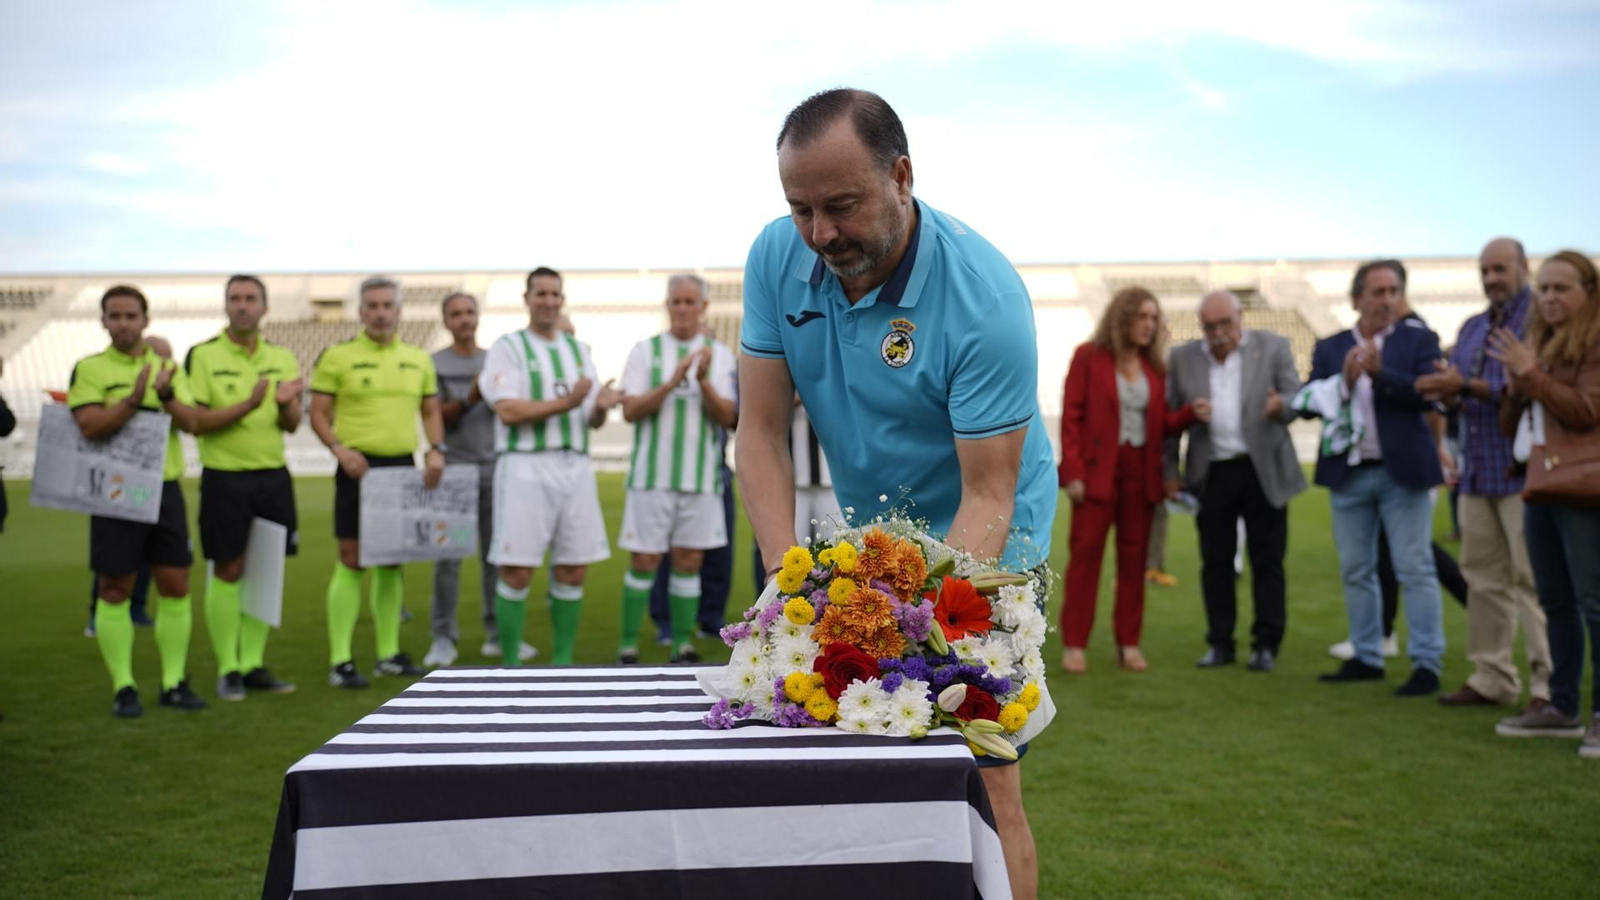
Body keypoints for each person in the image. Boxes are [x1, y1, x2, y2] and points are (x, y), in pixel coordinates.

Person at [737, 88, 1057, 900]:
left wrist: (911, 614)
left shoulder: (984, 299)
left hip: (986, 542)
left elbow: (989, 491)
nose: (821, 236)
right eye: (801, 209)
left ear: (902, 175)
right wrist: (788, 581)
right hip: (872, 529)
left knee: (982, 777)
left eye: (841, 206)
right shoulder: (776, 258)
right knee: (848, 751)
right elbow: (762, 433)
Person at [70, 286, 220, 716]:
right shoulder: (91, 369)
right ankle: (124, 686)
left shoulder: (168, 368)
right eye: (114, 316)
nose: (123, 323)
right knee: (115, 589)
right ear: (103, 322)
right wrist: (135, 399)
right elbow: (89, 426)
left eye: (130, 315)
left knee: (176, 586)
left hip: (163, 490)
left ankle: (173, 683)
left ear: (145, 320)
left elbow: (193, 423)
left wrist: (167, 395)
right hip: (116, 492)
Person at [1414, 238, 1551, 709]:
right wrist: (1448, 392)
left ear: (1523, 268)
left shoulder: (1543, 319)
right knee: (1484, 579)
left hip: (1527, 472)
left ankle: (1549, 685)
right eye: (1485, 270)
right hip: (1478, 472)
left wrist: (1464, 385)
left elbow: (1535, 384)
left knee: (1534, 580)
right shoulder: (1472, 327)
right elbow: (1461, 394)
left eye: (1500, 269)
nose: (1492, 278)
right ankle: (1492, 676)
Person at [1301, 259, 1445, 696]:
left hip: (1402, 473)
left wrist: (1382, 375)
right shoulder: (1330, 347)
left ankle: (1426, 663)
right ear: (1357, 298)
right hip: (1349, 473)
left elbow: (1426, 393)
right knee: (1355, 568)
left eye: (1393, 291)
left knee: (1414, 566)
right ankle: (1367, 654)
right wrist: (1342, 384)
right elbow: (1309, 401)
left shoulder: (1419, 340)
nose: (1387, 300)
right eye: (1377, 291)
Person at [1059, 287, 1206, 674]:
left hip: (1141, 475)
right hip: (1095, 475)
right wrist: (1072, 471)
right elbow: (1071, 416)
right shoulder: (1088, 357)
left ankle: (1129, 643)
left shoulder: (1155, 367)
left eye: (1153, 318)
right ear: (1122, 318)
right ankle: (1075, 644)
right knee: (1085, 558)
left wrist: (1191, 413)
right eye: (1143, 316)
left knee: (1134, 562)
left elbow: (1159, 424)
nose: (1149, 325)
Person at [1489, 249, 1600, 757]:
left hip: (1583, 487)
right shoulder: (1541, 342)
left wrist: (1531, 375)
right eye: (1546, 289)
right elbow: (1513, 426)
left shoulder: (1594, 342)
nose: (1551, 298)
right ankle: (1561, 705)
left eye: (1563, 288)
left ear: (1589, 293)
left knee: (1594, 603)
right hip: (1540, 482)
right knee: (1555, 599)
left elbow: (1585, 411)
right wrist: (1517, 385)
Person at [478, 267, 619, 665]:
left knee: (574, 569)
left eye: (555, 294)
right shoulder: (508, 347)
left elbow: (589, 415)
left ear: (562, 299)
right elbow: (507, 410)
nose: (548, 301)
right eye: (540, 293)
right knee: (517, 570)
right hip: (525, 467)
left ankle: (562, 663)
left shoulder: (579, 351)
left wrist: (601, 409)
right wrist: (569, 403)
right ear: (526, 299)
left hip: (574, 466)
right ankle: (509, 664)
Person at [309, 276, 444, 688]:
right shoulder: (338, 357)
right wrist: (338, 448)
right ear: (361, 312)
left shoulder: (418, 359)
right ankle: (341, 660)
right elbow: (317, 412)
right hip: (357, 468)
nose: (381, 312)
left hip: (402, 467)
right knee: (351, 559)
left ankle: (388, 654)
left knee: (391, 561)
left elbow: (430, 410)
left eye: (388, 305)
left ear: (399, 311)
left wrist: (437, 449)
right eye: (373, 306)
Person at [1165, 290, 1305, 672]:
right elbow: (1170, 420)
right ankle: (1220, 643)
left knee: (1268, 560)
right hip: (1212, 471)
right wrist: (1170, 474)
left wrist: (1283, 406)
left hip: (1264, 468)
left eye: (1225, 323)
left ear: (1240, 317)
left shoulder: (1274, 347)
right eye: (1210, 326)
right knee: (1215, 562)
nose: (1219, 333)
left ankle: (1266, 645)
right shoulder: (1182, 358)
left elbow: (1297, 396)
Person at [184, 274, 303, 699]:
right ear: (226, 306)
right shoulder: (203, 355)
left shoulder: (282, 356)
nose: (242, 305)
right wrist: (249, 404)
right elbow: (197, 423)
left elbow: (291, 425)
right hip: (225, 477)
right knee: (229, 568)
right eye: (235, 298)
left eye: (251, 298)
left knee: (265, 571)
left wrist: (288, 404)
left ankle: (253, 664)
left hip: (272, 475)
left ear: (265, 308)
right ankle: (228, 667)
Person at [614, 274, 737, 665]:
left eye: (690, 302)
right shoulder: (645, 351)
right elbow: (630, 410)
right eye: (676, 302)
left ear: (704, 307)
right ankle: (628, 643)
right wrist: (671, 382)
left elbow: (730, 416)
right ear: (667, 306)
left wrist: (701, 382)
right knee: (644, 559)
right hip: (652, 478)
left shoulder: (720, 354)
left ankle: (682, 643)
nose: (682, 309)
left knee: (689, 560)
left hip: (701, 478)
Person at [424, 292, 535, 667]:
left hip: (495, 471)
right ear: (445, 320)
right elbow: (437, 415)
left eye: (470, 312)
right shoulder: (435, 362)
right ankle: (443, 637)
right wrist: (471, 397)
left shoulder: (495, 360)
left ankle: (495, 634)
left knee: (496, 557)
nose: (464, 319)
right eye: (456, 313)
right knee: (449, 558)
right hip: (453, 475)